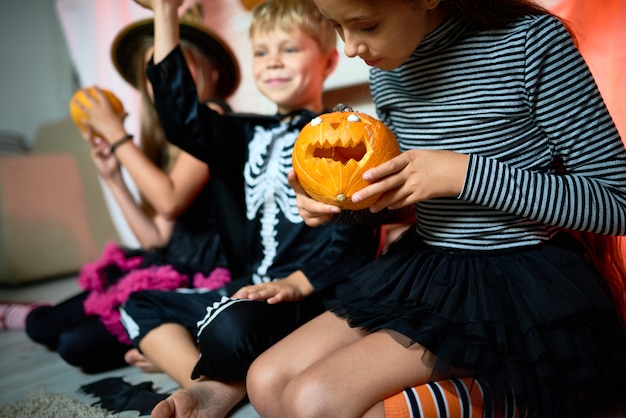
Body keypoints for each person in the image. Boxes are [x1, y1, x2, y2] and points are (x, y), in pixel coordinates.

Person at [245, 0, 626, 417]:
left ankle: (533, 385)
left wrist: (462, 174)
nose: (351, 47)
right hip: (426, 268)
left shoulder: (529, 42)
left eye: (365, 24)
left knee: (316, 401)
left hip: (515, 285)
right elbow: (412, 199)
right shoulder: (387, 68)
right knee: (266, 381)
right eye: (336, 26)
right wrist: (346, 206)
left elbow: (615, 203)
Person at [118, 0, 390, 416]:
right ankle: (207, 384)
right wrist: (165, 14)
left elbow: (358, 238)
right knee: (138, 304)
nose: (273, 62)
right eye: (262, 52)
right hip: (248, 288)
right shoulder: (241, 134)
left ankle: (214, 372)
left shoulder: (342, 136)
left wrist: (297, 283)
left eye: (290, 49)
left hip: (308, 295)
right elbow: (180, 119)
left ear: (329, 60)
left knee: (230, 329)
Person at [22, 8, 241, 374]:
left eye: (176, 69)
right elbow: (156, 237)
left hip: (205, 276)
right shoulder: (170, 144)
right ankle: (23, 314)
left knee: (73, 346)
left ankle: (177, 340)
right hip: (169, 264)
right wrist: (113, 177)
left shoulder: (214, 116)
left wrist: (118, 136)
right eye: (153, 75)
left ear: (211, 71)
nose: (162, 83)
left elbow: (169, 199)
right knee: (39, 325)